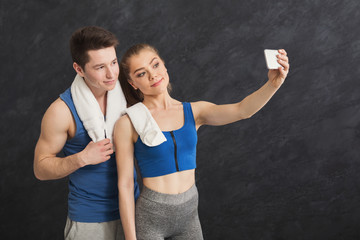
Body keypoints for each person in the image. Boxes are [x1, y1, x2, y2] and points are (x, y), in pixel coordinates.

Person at [114, 43, 289, 240]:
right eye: (141, 74)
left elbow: (242, 110)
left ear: (164, 66)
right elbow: (126, 185)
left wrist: (273, 85)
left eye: (155, 65)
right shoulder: (128, 123)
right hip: (151, 217)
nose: (153, 75)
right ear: (132, 83)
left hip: (189, 214)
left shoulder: (195, 111)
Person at [33, 26, 140, 240]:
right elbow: (40, 168)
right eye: (100, 67)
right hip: (89, 220)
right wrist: (82, 158)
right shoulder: (61, 111)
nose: (111, 74)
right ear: (79, 69)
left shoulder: (127, 91)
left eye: (113, 62)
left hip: (134, 211)